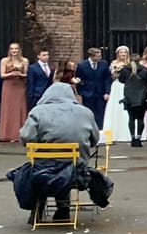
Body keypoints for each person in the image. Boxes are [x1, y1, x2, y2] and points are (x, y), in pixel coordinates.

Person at [18, 64, 101, 222]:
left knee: (36, 168)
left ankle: (38, 207)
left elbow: (26, 137)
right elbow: (94, 140)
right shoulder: (85, 112)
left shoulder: (38, 112)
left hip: (43, 169)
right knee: (65, 165)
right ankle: (63, 209)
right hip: (76, 171)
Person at [119, 47, 147, 146]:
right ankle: (139, 138)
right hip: (142, 97)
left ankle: (132, 138)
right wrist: (145, 89)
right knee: (141, 118)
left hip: (129, 96)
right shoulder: (146, 70)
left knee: (131, 118)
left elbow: (121, 80)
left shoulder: (125, 70)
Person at [101, 47, 134, 146]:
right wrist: (116, 72)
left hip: (127, 85)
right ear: (118, 54)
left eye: (125, 52)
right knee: (115, 107)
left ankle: (127, 133)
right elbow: (111, 77)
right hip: (116, 86)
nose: (123, 54)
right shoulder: (113, 63)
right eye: (121, 52)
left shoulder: (130, 64)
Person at [0, 43, 27, 142]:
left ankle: (19, 134)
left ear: (19, 50)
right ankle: (8, 134)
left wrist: (20, 73)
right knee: (8, 108)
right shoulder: (4, 61)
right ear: (9, 50)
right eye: (12, 49)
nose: (14, 51)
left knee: (19, 108)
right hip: (8, 86)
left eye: (16, 49)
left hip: (20, 85)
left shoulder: (24, 60)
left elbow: (26, 74)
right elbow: (2, 75)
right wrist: (11, 73)